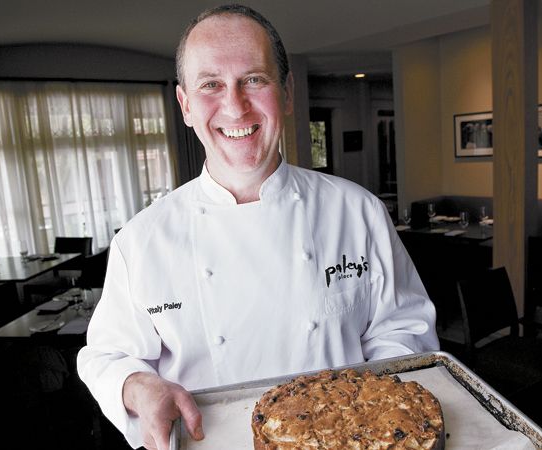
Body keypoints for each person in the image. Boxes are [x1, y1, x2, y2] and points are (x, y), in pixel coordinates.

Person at [77, 4, 439, 449]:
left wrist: (377, 417)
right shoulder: (141, 241)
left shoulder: (358, 211)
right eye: (211, 85)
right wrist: (137, 385)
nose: (235, 105)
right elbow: (106, 355)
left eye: (254, 79)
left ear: (286, 93)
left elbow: (405, 329)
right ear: (186, 105)